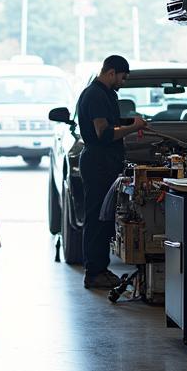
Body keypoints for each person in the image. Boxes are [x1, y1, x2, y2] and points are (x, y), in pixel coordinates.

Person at [75, 55, 146, 289]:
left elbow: (111, 122)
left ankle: (100, 268)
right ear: (111, 72)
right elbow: (103, 133)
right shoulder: (94, 95)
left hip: (105, 162)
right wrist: (132, 128)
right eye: (122, 77)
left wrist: (129, 121)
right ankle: (94, 272)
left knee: (104, 218)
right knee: (97, 217)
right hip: (98, 163)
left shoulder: (105, 94)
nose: (123, 82)